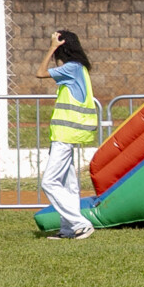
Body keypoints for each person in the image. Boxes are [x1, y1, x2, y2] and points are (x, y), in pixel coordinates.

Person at [39, 29, 98, 240]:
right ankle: (68, 229)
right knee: (68, 184)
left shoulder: (72, 68)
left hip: (65, 135)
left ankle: (81, 224)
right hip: (68, 134)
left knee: (49, 182)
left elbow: (40, 73)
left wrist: (51, 47)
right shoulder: (78, 68)